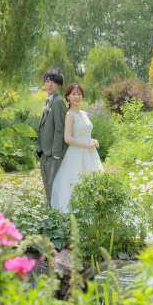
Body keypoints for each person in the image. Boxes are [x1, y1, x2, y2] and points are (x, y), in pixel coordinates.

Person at [50, 83, 103, 213]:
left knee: (93, 181)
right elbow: (67, 138)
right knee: (77, 182)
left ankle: (94, 210)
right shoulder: (70, 114)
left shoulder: (84, 113)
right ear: (67, 97)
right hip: (77, 153)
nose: (77, 96)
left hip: (90, 153)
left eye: (79, 94)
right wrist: (86, 145)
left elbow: (85, 133)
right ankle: (77, 213)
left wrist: (92, 140)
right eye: (73, 94)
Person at [36, 68, 67, 206]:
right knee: (48, 192)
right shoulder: (49, 100)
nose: (49, 85)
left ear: (59, 85)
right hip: (45, 152)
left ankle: (56, 221)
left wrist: (55, 155)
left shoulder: (59, 102)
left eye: (53, 82)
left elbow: (59, 130)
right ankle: (51, 221)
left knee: (54, 191)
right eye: (47, 81)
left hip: (53, 155)